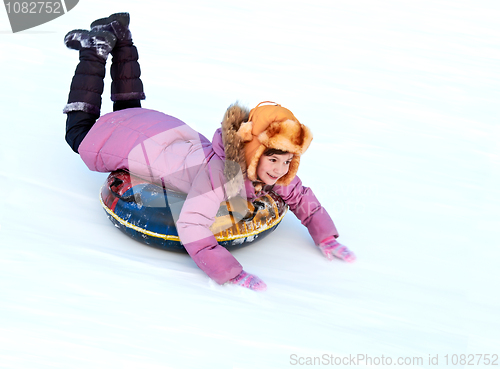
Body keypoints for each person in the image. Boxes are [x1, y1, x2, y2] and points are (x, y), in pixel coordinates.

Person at [63, 13, 356, 291]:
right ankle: (94, 50)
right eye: (274, 159)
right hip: (144, 145)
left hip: (167, 134)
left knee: (128, 111)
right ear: (255, 152)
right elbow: (191, 224)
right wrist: (231, 272)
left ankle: (120, 36)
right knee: (78, 134)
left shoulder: (272, 169)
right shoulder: (222, 175)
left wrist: (326, 237)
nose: (280, 170)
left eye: (288, 161)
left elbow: (301, 196)